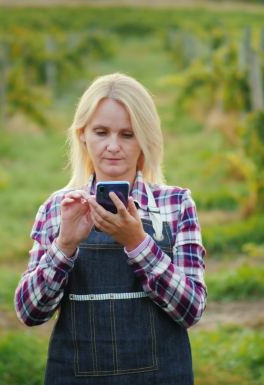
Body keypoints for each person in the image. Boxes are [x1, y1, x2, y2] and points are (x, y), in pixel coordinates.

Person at [14, 73, 207, 384]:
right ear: (83, 136)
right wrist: (64, 246)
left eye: (127, 134)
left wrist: (138, 243)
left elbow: (192, 309)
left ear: (145, 140)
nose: (113, 146)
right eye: (101, 132)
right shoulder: (58, 208)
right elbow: (29, 311)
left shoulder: (176, 205)